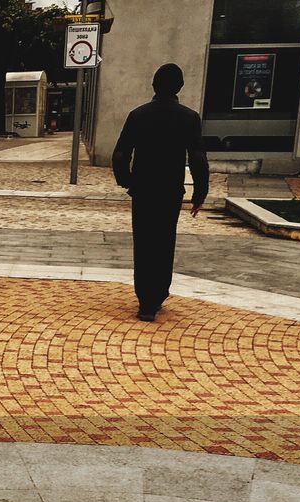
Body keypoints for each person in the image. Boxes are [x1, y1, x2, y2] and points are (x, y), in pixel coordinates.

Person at [112, 63, 210, 322]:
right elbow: (198, 158)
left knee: (143, 242)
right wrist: (199, 193)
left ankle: (145, 300)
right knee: (165, 242)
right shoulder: (189, 118)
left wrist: (126, 180)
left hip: (143, 189)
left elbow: (121, 153)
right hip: (170, 190)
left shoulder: (138, 115)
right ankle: (158, 294)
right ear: (179, 87)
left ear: (154, 85)